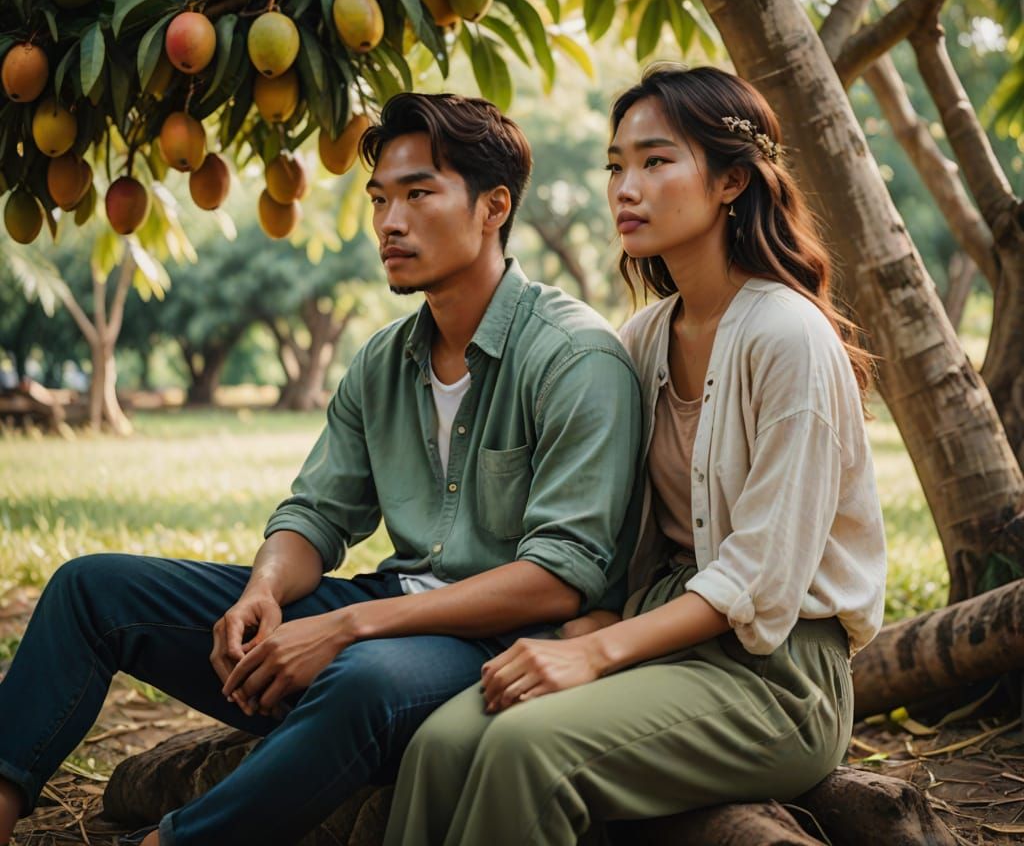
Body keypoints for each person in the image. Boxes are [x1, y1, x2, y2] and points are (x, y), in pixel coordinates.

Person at [0, 93, 643, 846]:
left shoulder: (574, 356)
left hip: (506, 645)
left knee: (360, 679)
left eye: (418, 194)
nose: (390, 223)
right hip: (387, 618)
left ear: (493, 206)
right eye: (379, 200)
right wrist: (263, 594)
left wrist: (344, 628)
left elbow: (559, 577)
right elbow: (316, 514)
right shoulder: (382, 362)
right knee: (92, 589)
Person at [383, 64, 888, 846]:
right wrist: (598, 623)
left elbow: (759, 578)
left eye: (656, 161)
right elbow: (624, 531)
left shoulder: (789, 337)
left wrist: (599, 653)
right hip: (658, 632)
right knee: (444, 744)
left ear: (730, 181)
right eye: (616, 165)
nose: (626, 186)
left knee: (528, 750)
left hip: (775, 678)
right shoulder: (643, 339)